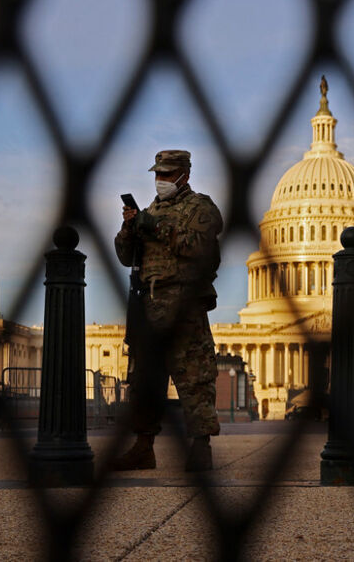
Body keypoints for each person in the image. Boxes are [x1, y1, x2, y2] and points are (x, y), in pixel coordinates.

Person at [111, 149, 223, 472]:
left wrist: (154, 226)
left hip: (184, 304)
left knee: (194, 378)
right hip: (149, 304)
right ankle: (143, 446)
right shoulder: (150, 209)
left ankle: (201, 448)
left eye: (167, 174)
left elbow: (198, 247)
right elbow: (125, 256)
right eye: (158, 174)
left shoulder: (200, 207)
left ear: (184, 175)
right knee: (144, 379)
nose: (160, 180)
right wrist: (129, 228)